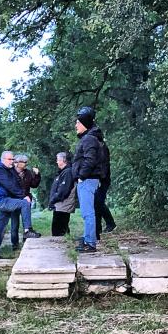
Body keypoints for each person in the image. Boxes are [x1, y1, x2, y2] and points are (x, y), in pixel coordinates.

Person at [0, 151, 41, 258]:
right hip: (0, 200)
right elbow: (10, 185)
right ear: (3, 159)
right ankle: (27, 231)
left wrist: (35, 175)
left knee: (1, 227)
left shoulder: (9, 170)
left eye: (13, 160)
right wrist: (23, 196)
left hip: (7, 200)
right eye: (11, 160)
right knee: (24, 203)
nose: (13, 162)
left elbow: (18, 183)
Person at [72, 106, 104, 253]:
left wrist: (81, 176)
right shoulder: (90, 137)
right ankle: (87, 238)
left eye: (78, 123)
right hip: (89, 179)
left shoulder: (89, 139)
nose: (75, 125)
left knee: (87, 212)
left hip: (87, 179)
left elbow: (89, 160)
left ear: (84, 123)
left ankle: (90, 243)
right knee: (87, 212)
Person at [13, 154, 41, 245]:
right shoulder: (11, 173)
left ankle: (26, 239)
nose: (26, 164)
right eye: (24, 163)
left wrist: (37, 175)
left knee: (26, 219)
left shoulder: (27, 172)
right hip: (14, 199)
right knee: (15, 222)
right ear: (18, 163)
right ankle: (15, 244)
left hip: (26, 200)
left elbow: (34, 185)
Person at [48, 152, 77, 236]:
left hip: (63, 205)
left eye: (58, 160)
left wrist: (53, 200)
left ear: (63, 160)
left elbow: (63, 191)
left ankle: (60, 246)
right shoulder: (63, 172)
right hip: (60, 205)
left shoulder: (67, 172)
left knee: (58, 230)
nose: (56, 162)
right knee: (60, 228)